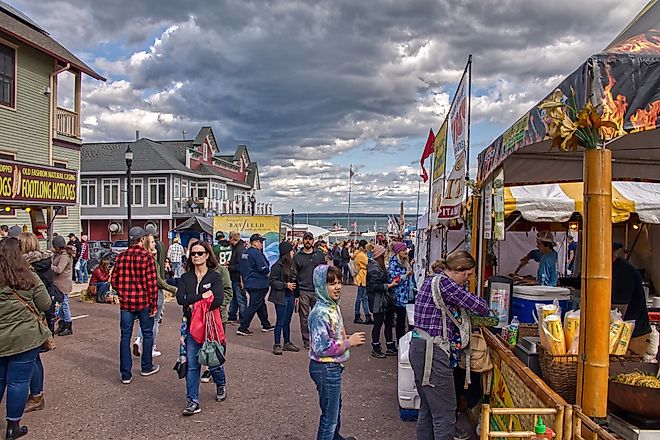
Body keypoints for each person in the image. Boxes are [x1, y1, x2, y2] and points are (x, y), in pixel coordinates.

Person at [410, 251, 489, 440]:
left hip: (420, 347)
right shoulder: (446, 284)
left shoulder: (432, 279)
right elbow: (481, 306)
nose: (468, 279)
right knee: (445, 413)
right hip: (433, 352)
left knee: (428, 409)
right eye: (468, 275)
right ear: (459, 270)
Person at [0, 237, 52, 439]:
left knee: (1, 379)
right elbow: (46, 303)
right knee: (18, 382)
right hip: (25, 336)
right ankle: (13, 425)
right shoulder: (28, 276)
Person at [308, 265, 365, 440]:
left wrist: (344, 337)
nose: (338, 287)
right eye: (332, 283)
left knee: (334, 410)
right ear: (320, 285)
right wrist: (348, 342)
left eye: (339, 282)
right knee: (329, 417)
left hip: (332, 366)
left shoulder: (331, 305)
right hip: (325, 367)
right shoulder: (320, 312)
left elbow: (333, 332)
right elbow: (322, 348)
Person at [176, 241, 227, 415]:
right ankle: (193, 401)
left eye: (200, 253)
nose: (196, 256)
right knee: (192, 364)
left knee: (213, 362)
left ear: (207, 255)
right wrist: (201, 297)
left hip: (210, 326)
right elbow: (180, 299)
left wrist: (195, 303)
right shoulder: (185, 278)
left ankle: (220, 384)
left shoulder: (214, 276)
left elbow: (218, 299)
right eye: (193, 254)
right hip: (191, 327)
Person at [111, 227, 160, 384]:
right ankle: (146, 366)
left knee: (125, 337)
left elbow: (114, 280)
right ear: (141, 240)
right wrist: (153, 305)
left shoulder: (121, 257)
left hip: (126, 303)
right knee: (147, 333)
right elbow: (152, 285)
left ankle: (126, 373)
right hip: (144, 302)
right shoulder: (147, 258)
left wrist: (122, 293)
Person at [18, 232, 54, 414]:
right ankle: (35, 393)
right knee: (34, 357)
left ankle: (36, 395)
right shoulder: (44, 263)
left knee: (32, 358)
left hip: (31, 314)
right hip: (40, 315)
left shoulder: (27, 268)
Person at [134, 234, 176, 358]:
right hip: (155, 292)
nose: (155, 244)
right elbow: (157, 279)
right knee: (155, 321)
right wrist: (173, 289)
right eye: (152, 242)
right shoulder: (151, 259)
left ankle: (138, 339)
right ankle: (151, 347)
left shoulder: (138, 258)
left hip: (141, 293)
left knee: (144, 320)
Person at [612, 242, 652, 356]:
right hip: (625, 334)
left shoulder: (622, 273)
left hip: (632, 337)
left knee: (625, 372)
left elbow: (617, 313)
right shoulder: (614, 270)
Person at [294, 231, 327, 349]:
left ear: (313, 240)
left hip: (317, 290)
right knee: (304, 318)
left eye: (310, 239)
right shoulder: (298, 256)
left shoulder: (319, 255)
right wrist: (296, 294)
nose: (308, 241)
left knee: (318, 317)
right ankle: (307, 340)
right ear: (303, 240)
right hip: (303, 290)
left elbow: (324, 272)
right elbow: (295, 276)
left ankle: (317, 338)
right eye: (306, 239)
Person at [237, 234, 274, 335]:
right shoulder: (256, 253)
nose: (262, 244)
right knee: (254, 305)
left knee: (260, 304)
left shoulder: (245, 253)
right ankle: (243, 327)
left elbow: (240, 268)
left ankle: (265, 324)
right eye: (260, 242)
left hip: (248, 282)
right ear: (255, 242)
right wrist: (270, 274)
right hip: (259, 283)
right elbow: (263, 268)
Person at [366, 244, 399, 358]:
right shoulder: (374, 269)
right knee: (379, 323)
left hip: (383, 300)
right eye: (383, 254)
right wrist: (389, 285)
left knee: (387, 322)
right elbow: (374, 286)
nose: (385, 255)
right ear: (379, 255)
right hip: (378, 300)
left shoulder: (376, 267)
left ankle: (389, 346)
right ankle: (376, 347)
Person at [269, 241, 300, 355]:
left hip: (290, 296)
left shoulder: (292, 265)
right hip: (281, 296)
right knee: (280, 321)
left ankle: (287, 342)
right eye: (292, 251)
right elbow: (272, 282)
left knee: (287, 320)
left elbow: (296, 281)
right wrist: (285, 285)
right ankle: (277, 343)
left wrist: (297, 295)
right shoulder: (277, 266)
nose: (293, 253)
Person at [388, 241, 414, 343]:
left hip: (409, 295)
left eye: (406, 249)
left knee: (411, 321)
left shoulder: (406, 262)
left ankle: (410, 342)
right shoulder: (393, 263)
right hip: (399, 296)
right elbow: (394, 279)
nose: (406, 251)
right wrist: (406, 276)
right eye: (403, 250)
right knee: (401, 321)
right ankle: (400, 342)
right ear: (398, 252)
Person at [51, 236, 74, 336]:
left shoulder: (64, 256)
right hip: (57, 284)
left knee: (64, 305)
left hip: (63, 284)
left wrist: (49, 265)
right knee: (59, 306)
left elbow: (59, 270)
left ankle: (68, 326)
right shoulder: (59, 254)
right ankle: (62, 325)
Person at [227, 231, 247, 324]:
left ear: (232, 239)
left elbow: (241, 266)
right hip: (234, 277)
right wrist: (230, 263)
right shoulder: (236, 248)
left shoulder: (240, 249)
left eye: (229, 238)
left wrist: (229, 267)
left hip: (238, 278)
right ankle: (232, 315)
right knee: (234, 298)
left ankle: (243, 318)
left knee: (240, 298)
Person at [353, 240, 373, 325]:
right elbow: (368, 263)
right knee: (362, 297)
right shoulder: (361, 255)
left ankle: (363, 315)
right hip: (362, 277)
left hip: (362, 277)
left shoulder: (359, 254)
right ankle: (362, 315)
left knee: (362, 297)